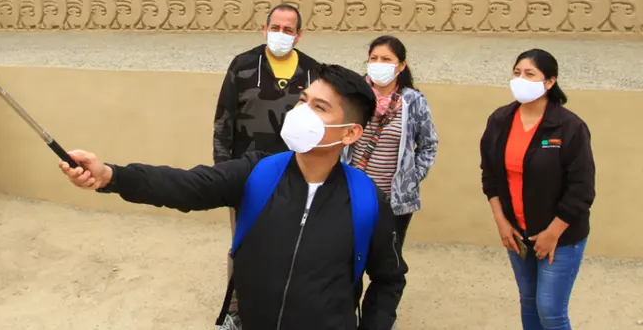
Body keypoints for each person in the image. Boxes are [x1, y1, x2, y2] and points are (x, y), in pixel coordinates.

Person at [60, 64, 407, 330]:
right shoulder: (259, 173)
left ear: (349, 133)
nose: (303, 112)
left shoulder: (367, 201)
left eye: (320, 107)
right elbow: (187, 185)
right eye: (303, 101)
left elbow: (388, 279)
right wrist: (112, 175)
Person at [212, 3, 320, 319]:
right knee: (244, 243)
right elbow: (223, 121)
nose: (281, 34)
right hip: (247, 175)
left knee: (291, 243)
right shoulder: (243, 66)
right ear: (264, 28)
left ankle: (283, 307)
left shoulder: (314, 72)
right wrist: (224, 174)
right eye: (276, 27)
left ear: (299, 36)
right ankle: (236, 309)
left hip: (296, 175)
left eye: (288, 30)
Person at [479, 49, 596, 330]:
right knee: (529, 304)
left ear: (549, 82)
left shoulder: (569, 127)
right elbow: (490, 176)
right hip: (516, 232)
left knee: (550, 311)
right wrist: (501, 222)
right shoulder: (500, 120)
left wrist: (553, 233)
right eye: (517, 73)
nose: (520, 79)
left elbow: (582, 189)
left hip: (561, 236)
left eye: (529, 74)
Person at [343, 35, 438, 257]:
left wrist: (412, 178)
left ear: (401, 65)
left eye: (386, 59)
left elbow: (428, 145)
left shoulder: (413, 101)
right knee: (346, 260)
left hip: (393, 202)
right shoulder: (354, 97)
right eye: (374, 58)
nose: (378, 64)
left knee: (387, 262)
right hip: (351, 195)